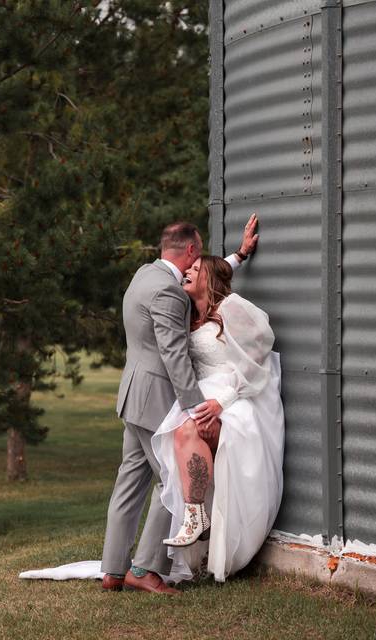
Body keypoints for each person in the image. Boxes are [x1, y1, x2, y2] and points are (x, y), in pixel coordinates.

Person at [100, 215, 258, 595]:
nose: (198, 261)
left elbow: (204, 280)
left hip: (132, 395)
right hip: (157, 398)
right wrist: (193, 409)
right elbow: (174, 356)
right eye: (198, 253)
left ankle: (113, 569)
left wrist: (238, 256)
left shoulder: (145, 275)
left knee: (130, 482)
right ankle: (145, 568)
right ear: (190, 250)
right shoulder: (169, 293)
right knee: (173, 478)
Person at [151, 255, 283, 582]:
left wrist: (222, 402)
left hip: (235, 397)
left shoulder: (230, 308)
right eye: (187, 268)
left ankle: (197, 518)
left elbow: (260, 356)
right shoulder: (187, 313)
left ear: (209, 278)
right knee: (183, 432)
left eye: (196, 270)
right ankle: (196, 515)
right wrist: (237, 253)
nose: (188, 273)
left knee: (185, 428)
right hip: (201, 395)